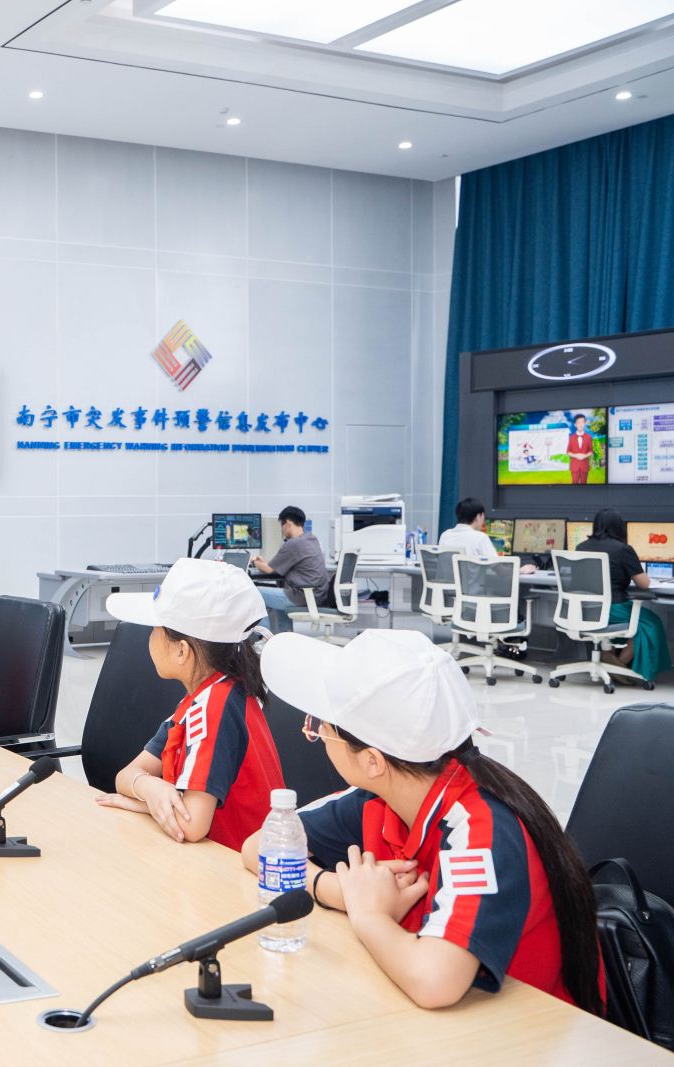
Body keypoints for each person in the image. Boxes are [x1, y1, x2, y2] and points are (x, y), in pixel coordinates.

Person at [247, 629, 605, 1012]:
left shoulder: (481, 827)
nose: (316, 732)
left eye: (322, 727)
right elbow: (261, 846)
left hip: (526, 1030)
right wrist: (339, 889)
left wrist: (370, 914)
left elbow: (435, 982)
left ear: (372, 761)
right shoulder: (379, 799)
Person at [96, 558, 285, 849]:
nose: (149, 637)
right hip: (213, 856)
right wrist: (150, 787)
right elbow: (126, 775)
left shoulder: (215, 707)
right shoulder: (203, 697)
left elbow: (192, 825)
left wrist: (145, 803)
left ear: (182, 651)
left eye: (155, 629)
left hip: (231, 864)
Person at [576, 508, 671, 681]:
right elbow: (644, 584)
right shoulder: (623, 549)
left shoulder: (580, 547)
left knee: (637, 622)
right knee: (650, 623)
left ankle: (611, 661)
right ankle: (618, 666)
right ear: (620, 528)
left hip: (584, 610)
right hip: (613, 609)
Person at [252, 506, 328, 634]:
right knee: (280, 591)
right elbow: (275, 566)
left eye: (281, 526)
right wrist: (264, 562)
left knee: (255, 593)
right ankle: (285, 634)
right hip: (317, 594)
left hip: (303, 596)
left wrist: (254, 561)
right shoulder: (311, 539)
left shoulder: (293, 543)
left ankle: (263, 637)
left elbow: (269, 570)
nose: (282, 530)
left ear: (287, 523)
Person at [566, 413, 595, 486]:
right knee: (574, 485)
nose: (580, 424)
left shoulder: (588, 437)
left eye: (582, 422)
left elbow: (591, 451)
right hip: (574, 467)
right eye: (578, 422)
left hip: (584, 466)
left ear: (585, 423)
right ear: (575, 425)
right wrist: (576, 455)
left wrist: (584, 456)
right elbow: (568, 452)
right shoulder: (571, 437)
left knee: (584, 486)